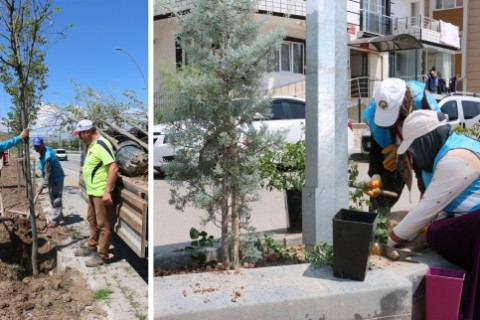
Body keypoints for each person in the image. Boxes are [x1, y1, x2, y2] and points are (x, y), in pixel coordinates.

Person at [387, 109, 480, 320]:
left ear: (425, 140)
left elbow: (424, 212)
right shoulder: (455, 146)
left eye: (414, 150)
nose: (413, 157)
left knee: (436, 231)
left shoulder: (455, 160)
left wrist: (388, 241)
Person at [362, 78, 440, 211]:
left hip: (424, 154)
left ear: (403, 104)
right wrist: (376, 176)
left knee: (428, 186)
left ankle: (431, 217)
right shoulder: (376, 110)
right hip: (395, 156)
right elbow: (376, 149)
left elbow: (433, 144)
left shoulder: (424, 105)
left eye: (393, 115)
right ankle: (375, 220)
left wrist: (404, 149)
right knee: (381, 196)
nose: (391, 123)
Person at [72, 119, 118, 267]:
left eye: (80, 134)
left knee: (103, 225)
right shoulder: (92, 145)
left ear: (87, 132)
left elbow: (113, 168)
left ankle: (102, 255)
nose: (79, 137)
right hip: (93, 192)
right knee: (91, 220)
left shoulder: (102, 144)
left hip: (100, 192)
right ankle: (91, 247)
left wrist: (107, 192)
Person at [33, 137, 65, 227]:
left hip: (56, 179)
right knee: (53, 198)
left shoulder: (47, 157)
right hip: (53, 178)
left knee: (56, 199)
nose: (36, 148)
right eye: (35, 146)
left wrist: (41, 187)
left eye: (38, 146)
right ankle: (60, 215)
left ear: (42, 144)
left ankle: (55, 221)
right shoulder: (45, 150)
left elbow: (48, 175)